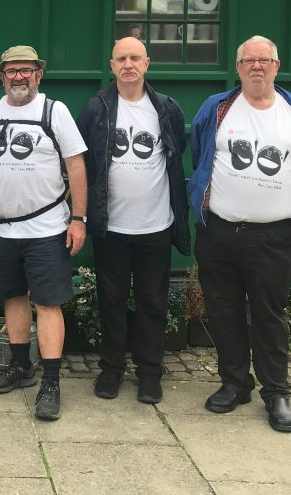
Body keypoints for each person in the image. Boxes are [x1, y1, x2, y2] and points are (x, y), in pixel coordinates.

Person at [189, 35, 291, 433]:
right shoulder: (217, 109)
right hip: (219, 231)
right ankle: (234, 383)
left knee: (269, 313)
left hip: (274, 237)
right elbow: (199, 153)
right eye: (249, 60)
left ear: (276, 66)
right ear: (238, 68)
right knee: (224, 310)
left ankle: (277, 392)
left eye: (264, 60)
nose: (256, 66)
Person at [0, 45, 87, 421]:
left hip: (46, 228)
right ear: (1, 77)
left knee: (48, 303)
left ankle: (50, 382)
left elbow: (77, 167)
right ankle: (21, 368)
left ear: (38, 75)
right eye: (11, 71)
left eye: (27, 70)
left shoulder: (55, 111)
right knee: (13, 298)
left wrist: (78, 218)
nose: (19, 76)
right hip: (0, 227)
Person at [76, 37, 190, 405]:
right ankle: (111, 370)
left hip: (156, 225)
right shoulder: (96, 109)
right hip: (111, 226)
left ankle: (150, 374)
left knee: (152, 302)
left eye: (135, 58)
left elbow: (176, 155)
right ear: (111, 65)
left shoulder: (167, 109)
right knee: (110, 301)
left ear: (147, 63)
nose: (128, 64)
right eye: (121, 58)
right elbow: (83, 163)